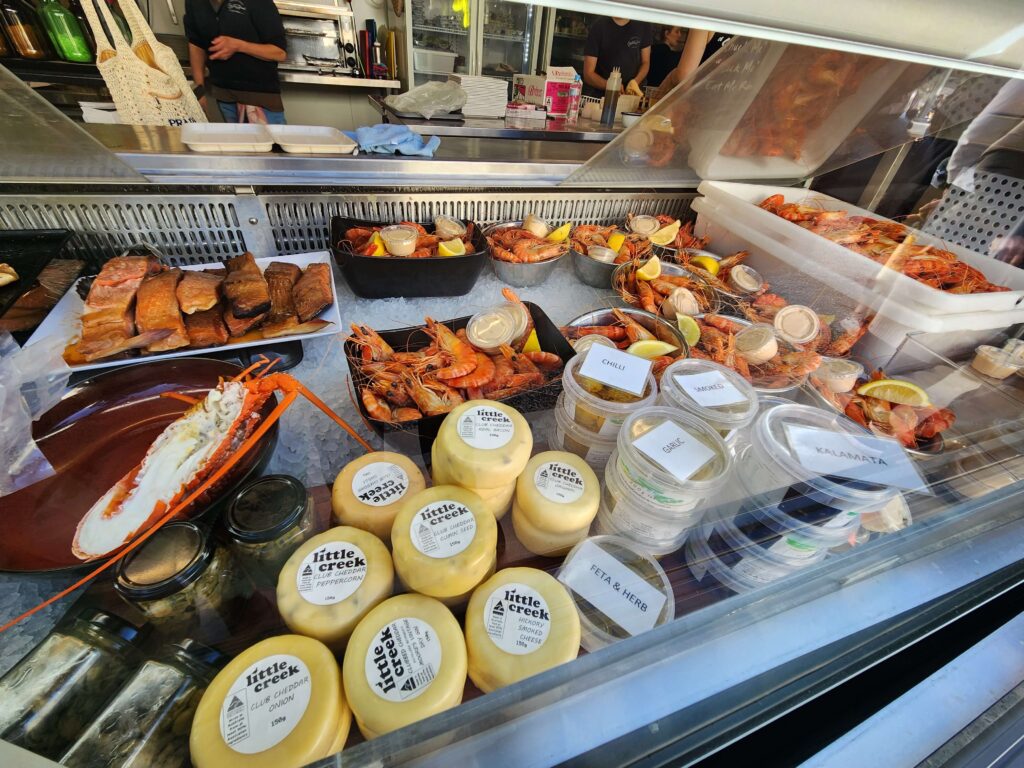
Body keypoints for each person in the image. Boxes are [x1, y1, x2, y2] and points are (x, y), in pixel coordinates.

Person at [184, 0, 288, 124]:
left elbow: (279, 53)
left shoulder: (259, 3)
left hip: (260, 98)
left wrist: (239, 46)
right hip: (225, 96)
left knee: (269, 143)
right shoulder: (194, 3)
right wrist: (199, 91)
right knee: (236, 143)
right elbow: (196, 44)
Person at [582, 16, 652, 98]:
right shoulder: (599, 25)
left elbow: (646, 62)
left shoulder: (643, 23)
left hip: (632, 97)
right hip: (601, 97)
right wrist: (612, 86)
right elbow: (588, 74)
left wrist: (635, 82)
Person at [653, 29, 733, 99]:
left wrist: (671, 78)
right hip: (737, 108)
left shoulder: (706, 17)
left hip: (702, 105)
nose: (679, 35)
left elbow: (684, 77)